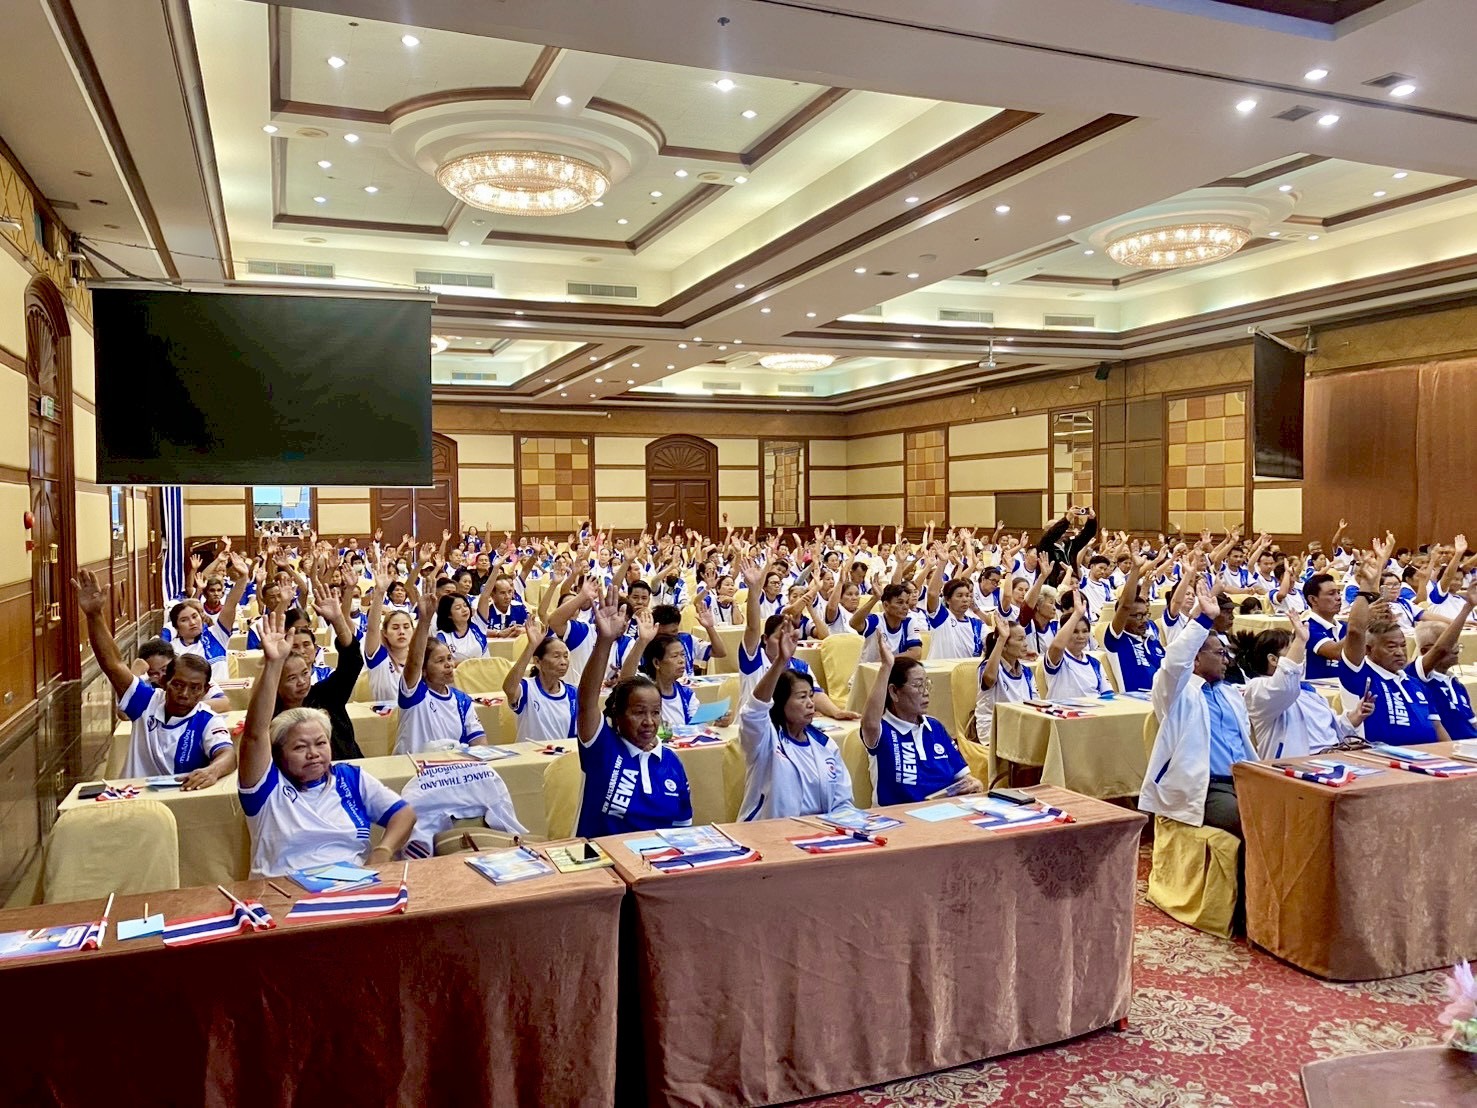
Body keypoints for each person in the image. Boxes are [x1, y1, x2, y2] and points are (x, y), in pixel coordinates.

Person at [238, 610, 415, 878]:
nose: (313, 754)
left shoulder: (349, 777)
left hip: (354, 884)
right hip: (284, 889)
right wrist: (274, 664)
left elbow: (404, 813)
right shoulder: (267, 786)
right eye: (300, 747)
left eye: (320, 743)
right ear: (279, 752)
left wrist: (383, 850)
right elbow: (254, 735)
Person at [1140, 581, 1257, 925]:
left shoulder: (1231, 693)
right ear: (1196, 658)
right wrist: (1203, 621)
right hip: (1207, 788)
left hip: (1244, 778)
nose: (1226, 660)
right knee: (1254, 821)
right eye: (1218, 653)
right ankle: (1250, 910)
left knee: (1292, 813)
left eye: (1225, 653)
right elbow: (1173, 663)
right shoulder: (1179, 695)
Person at [76, 570, 235, 788]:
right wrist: (94, 616)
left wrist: (212, 770)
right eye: (178, 685)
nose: (184, 694)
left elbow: (228, 754)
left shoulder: (208, 719)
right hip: (135, 796)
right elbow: (112, 664)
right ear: (164, 681)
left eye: (194, 688)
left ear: (204, 690)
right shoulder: (146, 701)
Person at [573, 586, 693, 837]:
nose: (649, 721)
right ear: (618, 715)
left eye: (656, 712)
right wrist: (604, 641)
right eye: (638, 713)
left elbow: (682, 831)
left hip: (658, 857)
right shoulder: (603, 748)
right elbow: (586, 702)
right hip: (603, 857)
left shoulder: (671, 762)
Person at [737, 619, 855, 821]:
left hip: (820, 831)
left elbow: (843, 801)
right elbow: (754, 711)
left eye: (811, 696)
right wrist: (780, 661)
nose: (810, 703)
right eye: (802, 697)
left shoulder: (826, 745)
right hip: (770, 831)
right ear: (781, 702)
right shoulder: (765, 739)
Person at [1340, 537, 1445, 746]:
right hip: (1380, 756)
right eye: (1391, 646)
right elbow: (1355, 631)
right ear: (1368, 650)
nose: (1399, 652)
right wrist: (1366, 587)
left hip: (1427, 758)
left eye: (1402, 646)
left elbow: (1437, 729)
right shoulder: (1361, 676)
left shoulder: (1414, 682)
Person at [1238, 612, 1373, 760]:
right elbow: (1285, 682)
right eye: (1293, 648)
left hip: (1333, 756)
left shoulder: (1308, 691)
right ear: (1273, 660)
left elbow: (1329, 729)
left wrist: (1355, 716)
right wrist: (1300, 640)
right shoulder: (1257, 688)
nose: (1301, 654)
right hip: (1294, 765)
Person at [861, 639, 981, 804]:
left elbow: (963, 777)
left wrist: (974, 783)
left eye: (926, 685)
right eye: (918, 686)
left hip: (943, 811)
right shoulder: (882, 730)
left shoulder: (935, 727)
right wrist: (886, 667)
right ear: (894, 692)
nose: (925, 692)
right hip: (898, 815)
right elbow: (869, 723)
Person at [274, 584, 365, 761]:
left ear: (316, 649)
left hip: (343, 766)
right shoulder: (273, 708)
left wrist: (338, 619)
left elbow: (352, 661)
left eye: (306, 645)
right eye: (292, 678)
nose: (301, 682)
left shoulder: (327, 695)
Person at [396, 592, 487, 754]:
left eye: (449, 658)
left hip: (451, 767)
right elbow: (414, 662)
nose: (449, 665)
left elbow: (479, 742)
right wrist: (424, 621)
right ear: (423, 670)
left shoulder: (462, 700)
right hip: (414, 766)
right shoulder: (414, 694)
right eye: (440, 661)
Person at [162, 552, 249, 684]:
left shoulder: (217, 634)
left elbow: (230, 605)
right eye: (184, 620)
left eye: (195, 616)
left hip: (221, 693)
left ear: (201, 617)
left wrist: (243, 577)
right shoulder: (172, 650)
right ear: (176, 627)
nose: (192, 622)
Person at [501, 613, 578, 743]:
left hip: (562, 754)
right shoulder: (527, 688)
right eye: (556, 656)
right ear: (537, 661)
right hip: (529, 755)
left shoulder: (573, 693)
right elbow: (509, 688)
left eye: (566, 656)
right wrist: (531, 646)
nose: (563, 662)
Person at [1413, 584, 1477, 738]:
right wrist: (1467, 608)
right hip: (1452, 748)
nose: (1455, 650)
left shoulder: (1456, 683)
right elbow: (1440, 648)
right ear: (1426, 651)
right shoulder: (1419, 676)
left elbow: (1473, 723)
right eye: (1451, 644)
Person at [1103, 554, 1164, 693]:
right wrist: (1135, 569)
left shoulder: (1153, 641)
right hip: (1136, 701)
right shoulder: (1117, 640)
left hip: (1162, 699)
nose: (1144, 620)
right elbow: (1125, 606)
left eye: (1145, 615)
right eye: (1138, 616)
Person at [976, 611, 1036, 742]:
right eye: (1020, 639)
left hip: (1021, 727)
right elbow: (989, 679)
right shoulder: (989, 667)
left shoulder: (1027, 672)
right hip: (994, 730)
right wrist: (1002, 639)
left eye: (1025, 638)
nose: (1025, 644)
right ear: (1004, 646)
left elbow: (1036, 704)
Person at [1042, 588, 1110, 699]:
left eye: (1085, 631)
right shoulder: (1058, 659)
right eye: (1075, 631)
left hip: (1094, 708)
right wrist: (1077, 614)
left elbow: (1107, 695)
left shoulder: (1094, 663)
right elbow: (1057, 646)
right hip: (1064, 709)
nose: (1081, 636)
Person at [851, 582, 924, 663]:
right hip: (871, 669)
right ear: (886, 605)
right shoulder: (876, 620)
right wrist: (875, 598)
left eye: (907, 602)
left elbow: (916, 653)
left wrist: (888, 659)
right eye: (900, 602)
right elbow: (854, 623)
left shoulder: (910, 621)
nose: (905, 607)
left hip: (894, 669)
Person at [435, 593, 487, 663]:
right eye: (458, 608)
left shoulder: (478, 623)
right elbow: (444, 662)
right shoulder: (442, 636)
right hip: (460, 670)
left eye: (465, 605)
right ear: (449, 614)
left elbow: (485, 596)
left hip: (486, 669)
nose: (464, 610)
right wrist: (469, 662)